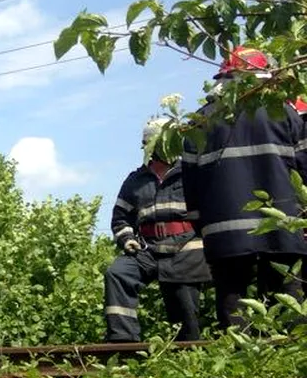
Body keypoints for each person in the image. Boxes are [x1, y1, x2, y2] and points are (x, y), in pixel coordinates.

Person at [181, 45, 307, 330]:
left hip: (223, 231)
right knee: (287, 296)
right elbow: (304, 167)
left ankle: (238, 355)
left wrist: (203, 225)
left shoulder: (200, 122)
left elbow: (190, 186)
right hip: (283, 222)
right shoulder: (284, 112)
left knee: (232, 299)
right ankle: (289, 352)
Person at [103, 117, 211, 342]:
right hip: (148, 249)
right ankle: (123, 341)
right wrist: (127, 239)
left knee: (183, 310)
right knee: (118, 273)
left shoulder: (191, 173)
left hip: (185, 247)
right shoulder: (135, 180)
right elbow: (120, 218)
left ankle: (189, 351)